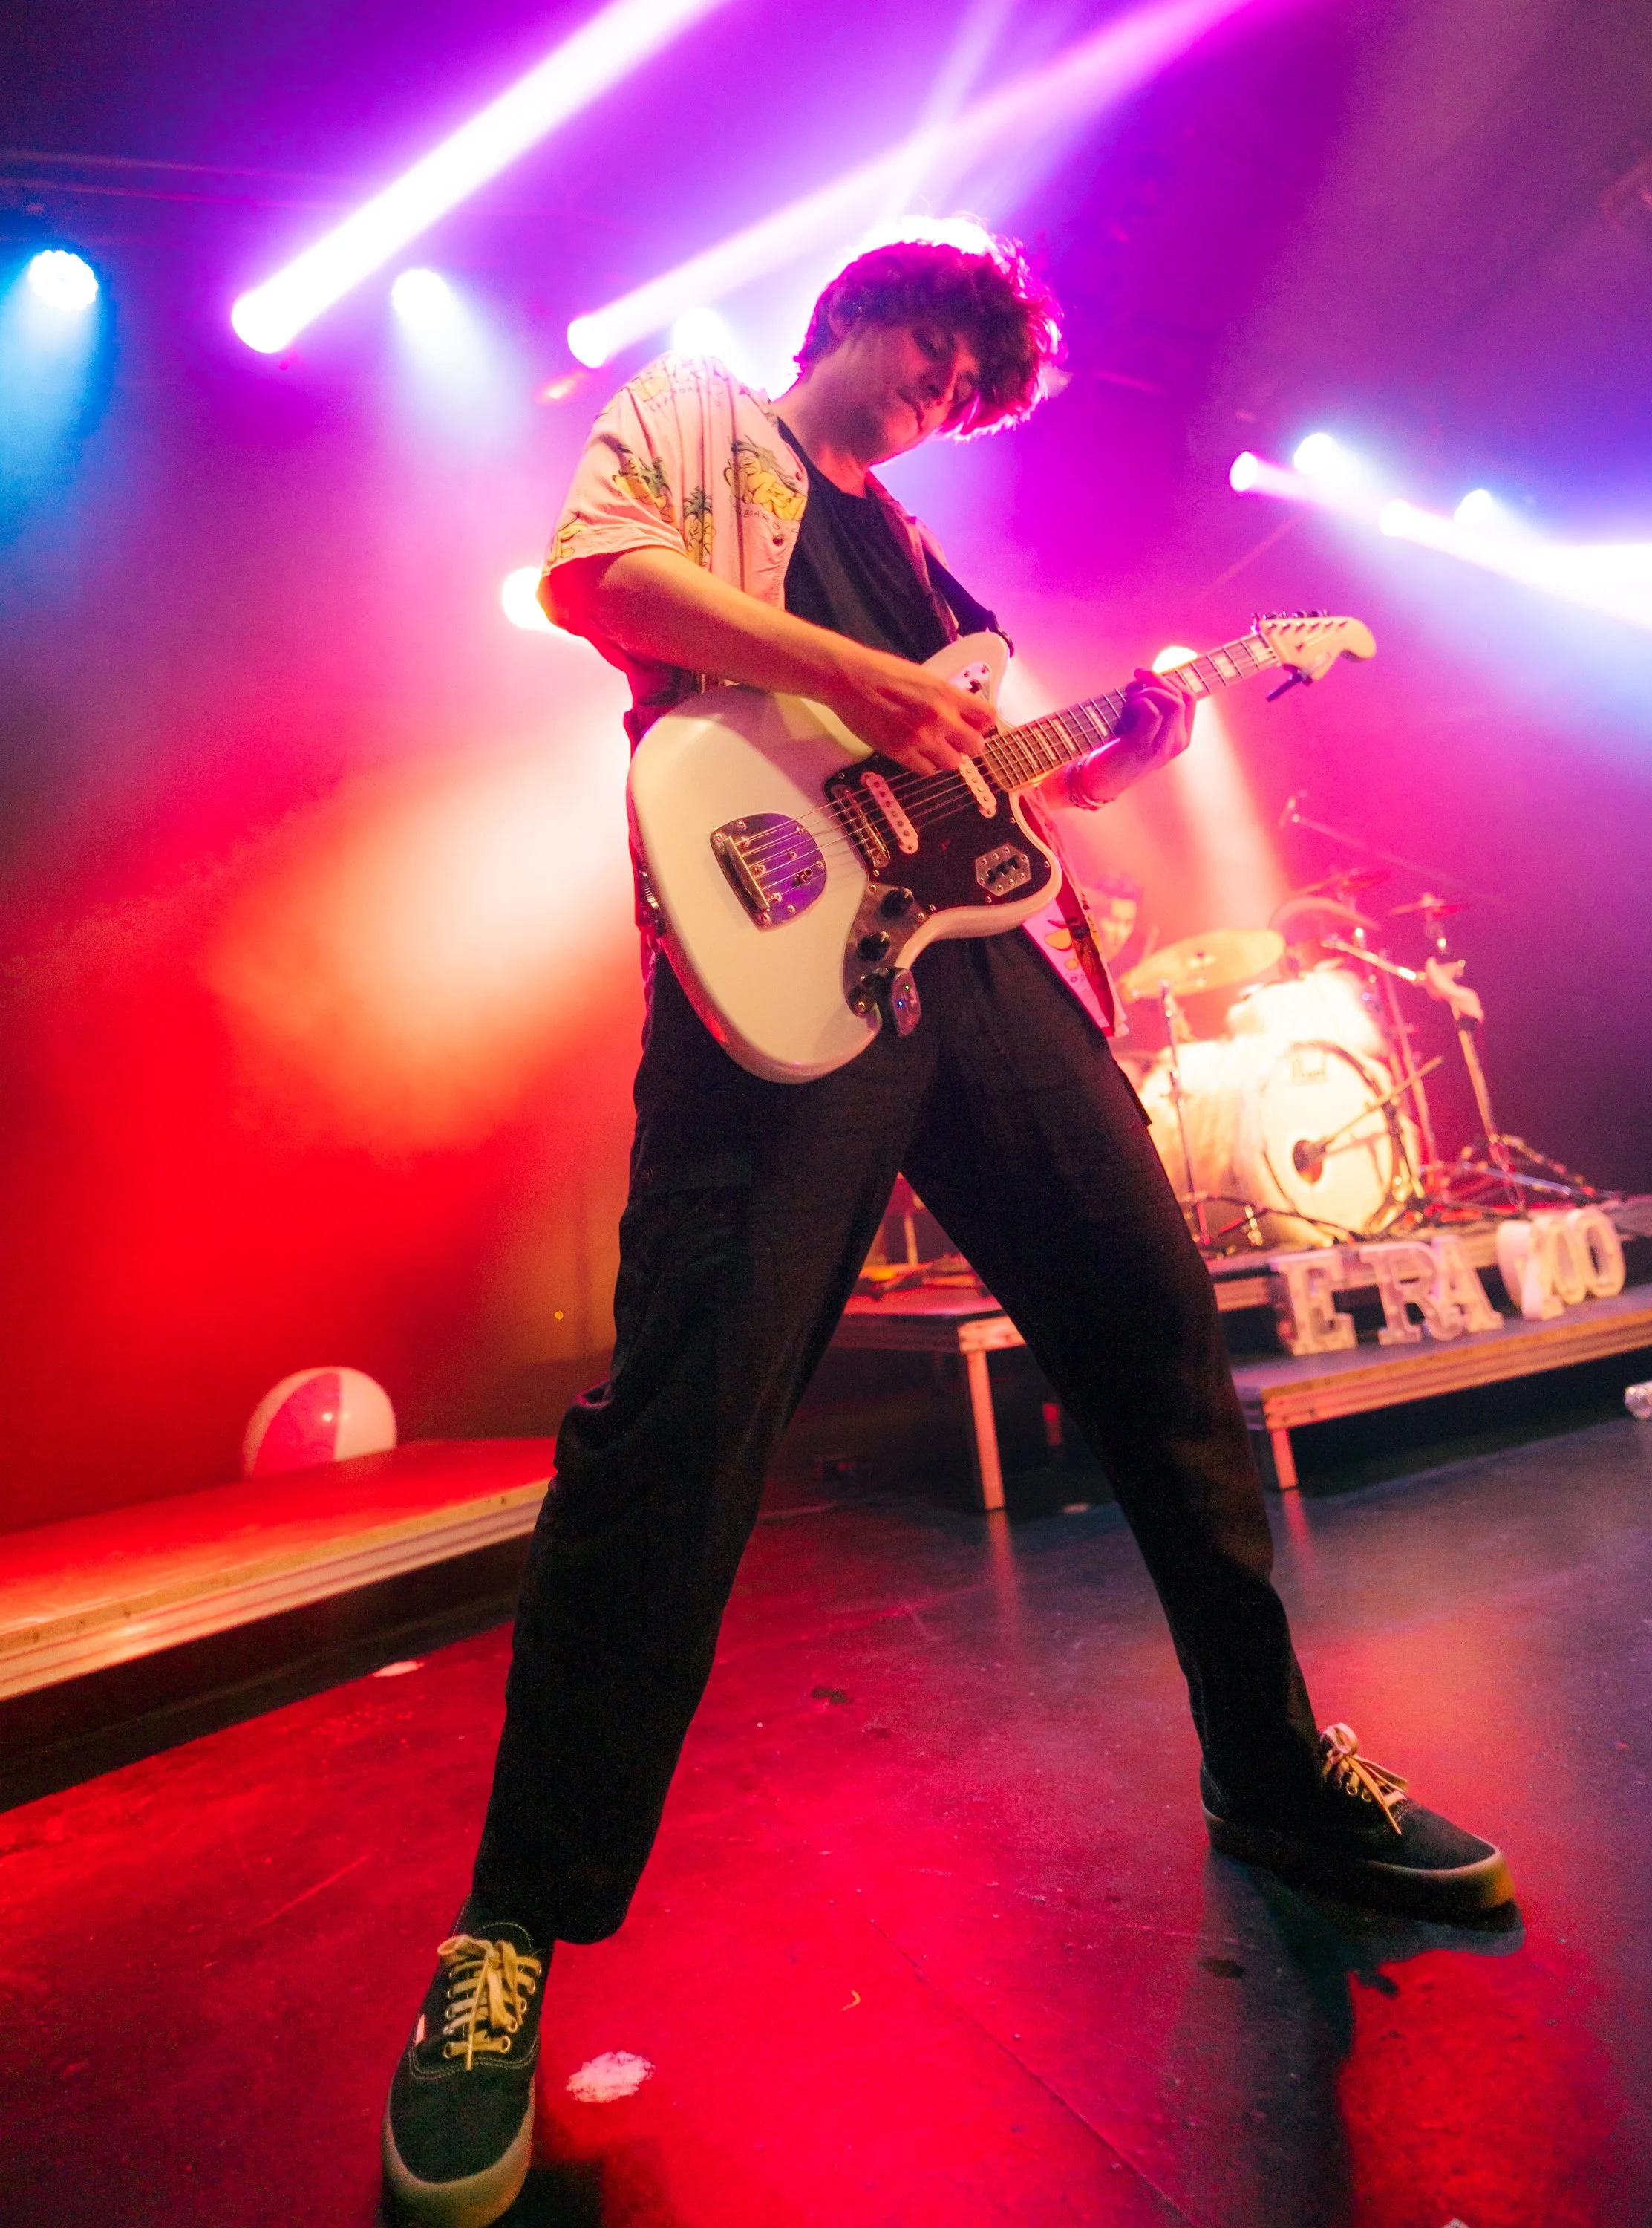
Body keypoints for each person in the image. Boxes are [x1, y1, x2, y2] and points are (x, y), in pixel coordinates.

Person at [382, 233, 1512, 2227]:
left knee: (1165, 1351)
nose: (942, 407)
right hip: (772, 973)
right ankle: (505, 1935)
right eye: (936, 365)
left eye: (974, 397)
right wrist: (852, 675)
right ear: (866, 321)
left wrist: (1140, 733)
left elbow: (989, 787)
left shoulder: (931, 571)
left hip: (984, 981)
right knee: (681, 1427)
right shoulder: (701, 418)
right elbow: (595, 579)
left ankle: (1263, 1763)